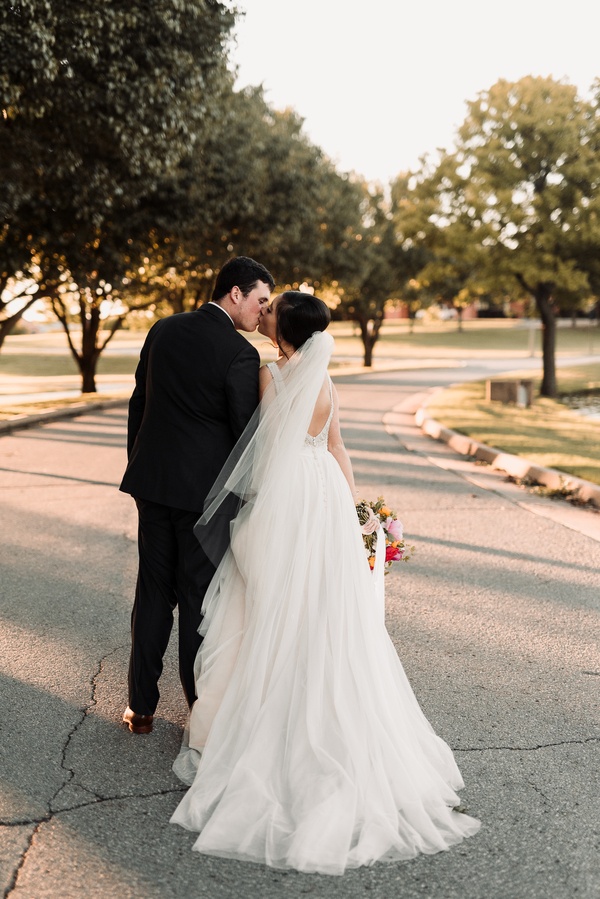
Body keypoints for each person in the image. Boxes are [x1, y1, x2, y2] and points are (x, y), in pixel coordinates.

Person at [170, 291, 480, 874]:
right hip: (326, 497)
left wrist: (255, 507)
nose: (264, 313)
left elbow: (264, 452)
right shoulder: (327, 379)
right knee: (325, 610)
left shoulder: (270, 374)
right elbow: (336, 446)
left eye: (272, 309)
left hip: (287, 497)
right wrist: (359, 507)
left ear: (282, 327)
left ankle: (261, 721)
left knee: (266, 605)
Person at [119, 256, 275, 734]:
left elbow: (139, 402)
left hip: (152, 484)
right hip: (203, 498)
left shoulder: (162, 330)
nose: (262, 313)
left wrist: (140, 464)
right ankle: (197, 710)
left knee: (151, 591)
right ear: (235, 294)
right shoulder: (240, 353)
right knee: (195, 599)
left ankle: (140, 709)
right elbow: (243, 435)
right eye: (260, 301)